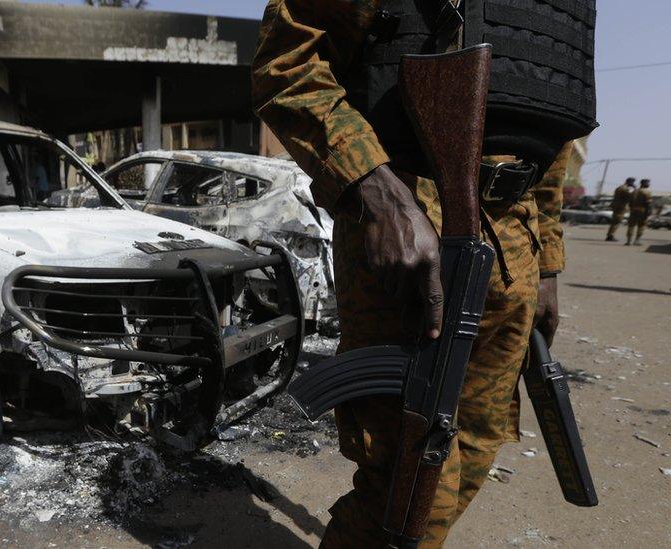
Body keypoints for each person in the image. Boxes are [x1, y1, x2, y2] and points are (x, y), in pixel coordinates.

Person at [251, 0, 596, 546]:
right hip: (414, 225)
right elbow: (287, 63)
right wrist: (378, 190)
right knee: (411, 485)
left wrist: (548, 262)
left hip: (518, 235)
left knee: (476, 451)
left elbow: (549, 125)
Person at [627, 179, 653, 246]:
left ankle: (628, 241)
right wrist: (649, 212)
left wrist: (631, 209)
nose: (649, 184)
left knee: (631, 225)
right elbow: (648, 203)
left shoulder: (634, 191)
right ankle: (637, 241)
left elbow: (630, 202)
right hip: (642, 210)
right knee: (641, 225)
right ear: (644, 183)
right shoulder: (647, 192)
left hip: (633, 210)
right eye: (648, 183)